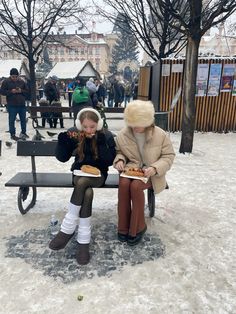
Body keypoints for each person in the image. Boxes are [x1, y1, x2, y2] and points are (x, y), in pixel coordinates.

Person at [49, 107, 116, 265]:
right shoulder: (75, 134)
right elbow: (62, 158)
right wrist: (62, 143)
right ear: (80, 125)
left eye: (92, 126)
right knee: (86, 193)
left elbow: (109, 161)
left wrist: (101, 144)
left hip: (99, 175)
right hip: (78, 173)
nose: (88, 130)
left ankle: (67, 229)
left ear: (98, 124)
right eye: (85, 127)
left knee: (83, 183)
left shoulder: (105, 135)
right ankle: (83, 243)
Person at [113, 100, 175, 246]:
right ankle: (123, 226)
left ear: (147, 121)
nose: (134, 127)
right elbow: (120, 151)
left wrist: (154, 168)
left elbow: (169, 156)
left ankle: (138, 226)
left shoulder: (160, 134)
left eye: (138, 123)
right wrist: (120, 160)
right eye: (132, 123)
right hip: (131, 170)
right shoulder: (123, 134)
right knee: (123, 183)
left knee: (135, 187)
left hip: (151, 174)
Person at [0, 68, 29, 141]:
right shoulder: (6, 82)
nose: (15, 78)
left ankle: (23, 132)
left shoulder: (22, 81)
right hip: (12, 105)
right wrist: (11, 91)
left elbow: (27, 91)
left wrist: (21, 91)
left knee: (23, 120)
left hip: (22, 104)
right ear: (10, 76)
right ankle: (12, 134)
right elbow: (2, 91)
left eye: (16, 76)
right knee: (11, 120)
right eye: (13, 77)